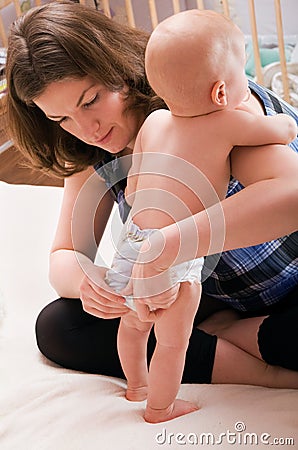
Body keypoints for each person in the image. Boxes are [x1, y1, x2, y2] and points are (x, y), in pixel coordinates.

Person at [5, 1, 298, 398]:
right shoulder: (94, 150)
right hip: (214, 291)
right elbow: (65, 254)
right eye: (61, 119)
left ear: (120, 69)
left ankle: (235, 334)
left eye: (89, 101)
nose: (85, 129)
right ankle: (254, 366)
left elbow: (291, 196)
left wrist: (169, 245)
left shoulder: (203, 107)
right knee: (60, 327)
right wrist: (91, 281)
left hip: (289, 283)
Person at [103, 9, 296, 423]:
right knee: (173, 341)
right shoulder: (226, 123)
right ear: (222, 93)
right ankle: (160, 406)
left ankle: (135, 384)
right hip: (175, 252)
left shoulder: (153, 121)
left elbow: (134, 185)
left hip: (134, 238)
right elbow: (283, 131)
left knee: (134, 325)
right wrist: (264, 118)